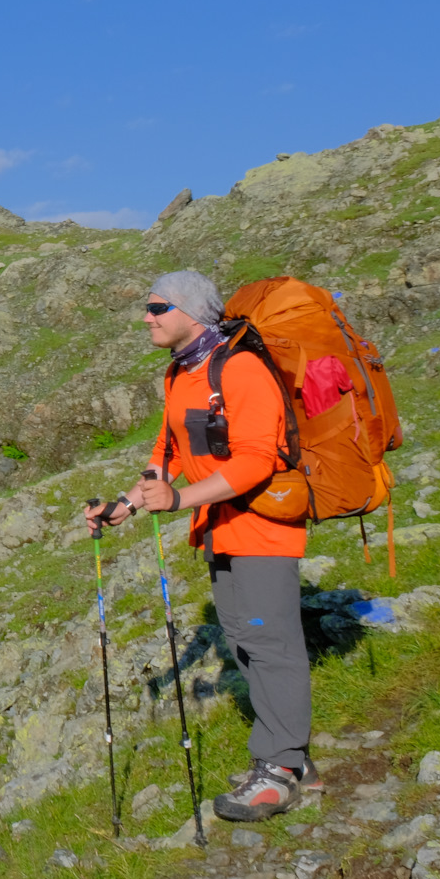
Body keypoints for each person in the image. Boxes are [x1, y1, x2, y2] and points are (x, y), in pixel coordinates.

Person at [84, 270, 317, 822]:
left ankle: (280, 772)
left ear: (189, 310)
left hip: (262, 528)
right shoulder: (179, 375)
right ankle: (293, 762)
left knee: (272, 644)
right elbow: (166, 449)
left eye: (157, 306)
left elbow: (257, 460)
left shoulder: (240, 368)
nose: (147, 316)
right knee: (245, 642)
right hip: (220, 529)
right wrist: (129, 503)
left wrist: (180, 499)